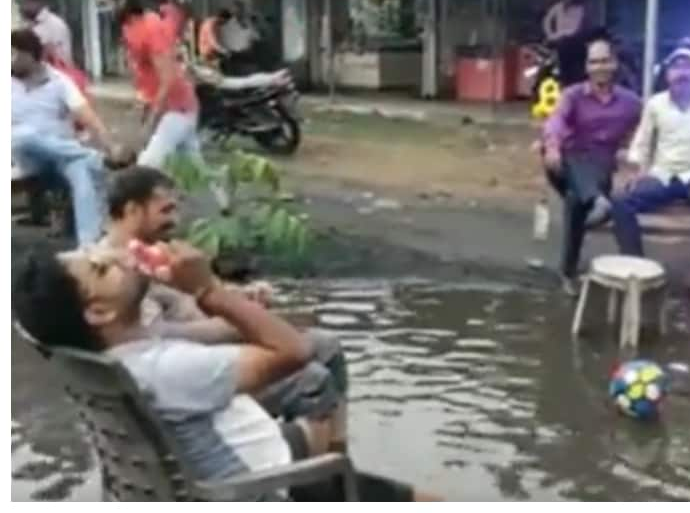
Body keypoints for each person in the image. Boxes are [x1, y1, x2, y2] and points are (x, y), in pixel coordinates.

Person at [12, 241, 441, 501]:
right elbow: (295, 350)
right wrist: (208, 290)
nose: (112, 256)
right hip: (256, 488)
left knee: (316, 412)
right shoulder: (169, 369)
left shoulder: (98, 358)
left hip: (213, 470)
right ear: (98, 312)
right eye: (101, 269)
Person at [99, 165, 349, 446]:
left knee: (326, 344)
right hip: (186, 382)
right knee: (312, 380)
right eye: (165, 211)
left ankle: (338, 455)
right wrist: (245, 322)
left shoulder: (145, 256)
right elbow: (159, 335)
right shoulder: (114, 275)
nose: (175, 220)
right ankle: (324, 472)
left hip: (188, 360)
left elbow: (185, 303)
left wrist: (238, 298)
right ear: (132, 210)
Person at [541, 34, 642, 295]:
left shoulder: (630, 102)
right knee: (570, 156)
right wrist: (552, 146)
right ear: (587, 67)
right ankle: (597, 200)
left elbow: (646, 134)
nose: (599, 67)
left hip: (602, 169)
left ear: (614, 64)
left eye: (604, 61)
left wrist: (632, 160)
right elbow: (555, 123)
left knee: (576, 202)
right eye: (594, 62)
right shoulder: (573, 96)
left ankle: (567, 272)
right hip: (565, 166)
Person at [610, 46, 690, 299]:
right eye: (677, 67)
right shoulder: (656, 104)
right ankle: (636, 269)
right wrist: (636, 170)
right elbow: (642, 142)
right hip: (663, 174)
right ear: (668, 74)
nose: (682, 73)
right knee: (622, 200)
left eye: (687, 67)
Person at [11, 29, 123, 245]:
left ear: (29, 55)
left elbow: (87, 115)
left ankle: (88, 246)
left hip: (61, 155)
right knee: (23, 135)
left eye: (13, 54)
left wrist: (110, 145)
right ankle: (91, 156)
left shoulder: (60, 81)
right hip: (26, 158)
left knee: (81, 171)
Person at [119, 0, 202, 170]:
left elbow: (168, 78)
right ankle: (220, 196)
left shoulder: (152, 27)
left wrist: (152, 118)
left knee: (147, 166)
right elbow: (141, 70)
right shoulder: (129, 26)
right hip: (167, 105)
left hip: (176, 107)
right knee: (195, 169)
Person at [542, 0, 587, 86]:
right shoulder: (557, 7)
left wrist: (558, 35)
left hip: (572, 40)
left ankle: (570, 78)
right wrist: (550, 35)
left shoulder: (579, 10)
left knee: (569, 48)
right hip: (558, 40)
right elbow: (547, 20)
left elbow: (574, 28)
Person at [19, 0, 73, 65]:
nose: (23, 6)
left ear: (37, 2)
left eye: (25, 2)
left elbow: (60, 59)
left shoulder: (55, 25)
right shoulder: (30, 23)